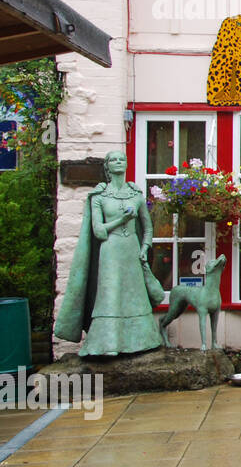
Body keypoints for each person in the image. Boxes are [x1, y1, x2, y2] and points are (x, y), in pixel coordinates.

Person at [54, 150, 166, 355]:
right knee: (109, 294)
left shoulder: (136, 194)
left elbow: (148, 228)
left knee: (136, 294)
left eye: (121, 159)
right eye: (113, 160)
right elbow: (99, 231)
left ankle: (142, 340)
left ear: (126, 164)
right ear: (107, 166)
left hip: (132, 249)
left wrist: (144, 248)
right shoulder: (99, 197)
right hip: (110, 250)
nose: (118, 162)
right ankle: (106, 344)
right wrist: (121, 220)